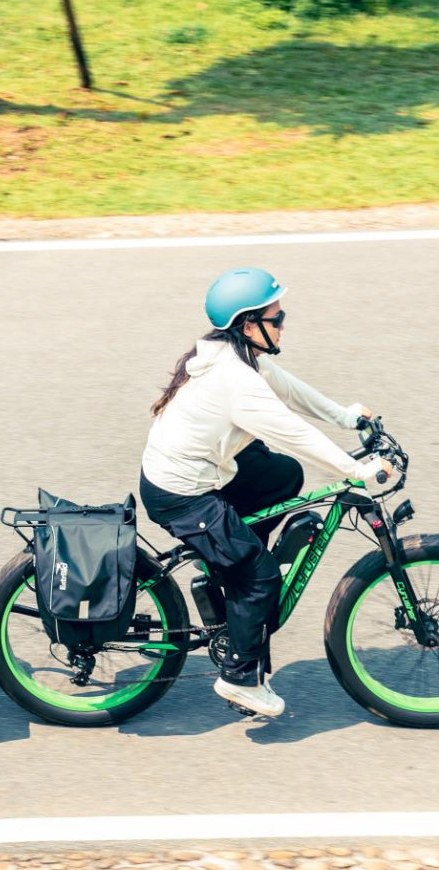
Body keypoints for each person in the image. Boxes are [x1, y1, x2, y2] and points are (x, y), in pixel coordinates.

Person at [139, 267, 391, 717]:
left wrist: (348, 418)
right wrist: (354, 470)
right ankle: (239, 677)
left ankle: (231, 561)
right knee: (260, 577)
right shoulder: (236, 380)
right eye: (277, 317)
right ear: (247, 323)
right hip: (180, 494)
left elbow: (293, 393)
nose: (283, 323)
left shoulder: (238, 355)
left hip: (204, 472)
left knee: (283, 475)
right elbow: (292, 430)